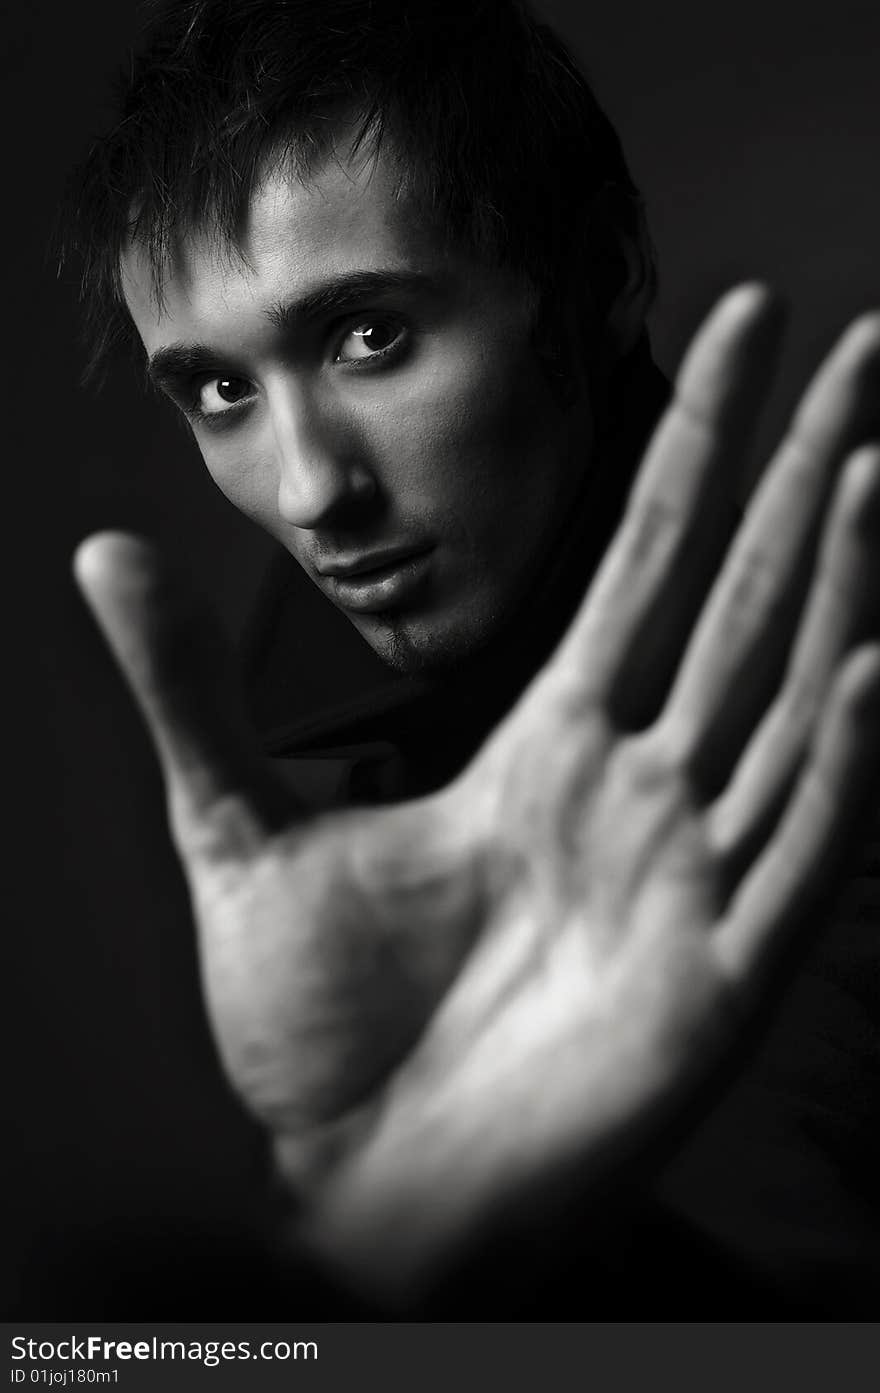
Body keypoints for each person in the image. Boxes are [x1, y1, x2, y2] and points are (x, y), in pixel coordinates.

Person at [65, 0, 880, 1314]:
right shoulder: (301, 796)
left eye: (369, 334)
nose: (310, 487)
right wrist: (374, 1229)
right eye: (221, 390)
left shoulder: (823, 779)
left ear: (603, 273)